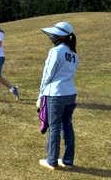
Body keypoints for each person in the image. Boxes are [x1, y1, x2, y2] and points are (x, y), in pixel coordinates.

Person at [37, 21, 79, 170]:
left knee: (54, 127)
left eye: (53, 34)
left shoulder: (55, 51)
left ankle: (51, 160)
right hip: (70, 93)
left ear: (59, 36)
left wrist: (40, 96)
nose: (51, 37)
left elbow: (47, 75)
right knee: (67, 125)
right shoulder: (74, 54)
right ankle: (68, 160)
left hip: (55, 94)